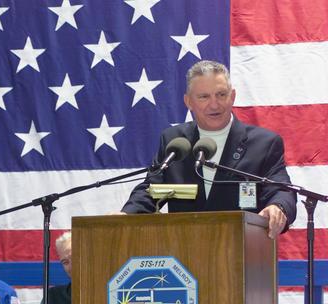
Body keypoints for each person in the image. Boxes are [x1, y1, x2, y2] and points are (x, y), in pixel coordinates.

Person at [121, 60, 297, 239]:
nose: (214, 105)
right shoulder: (174, 141)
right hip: (183, 252)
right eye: (204, 97)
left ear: (233, 96)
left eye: (221, 94)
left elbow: (282, 190)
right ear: (188, 101)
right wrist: (125, 215)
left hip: (241, 250)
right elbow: (151, 189)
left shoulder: (264, 143)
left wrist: (277, 207)